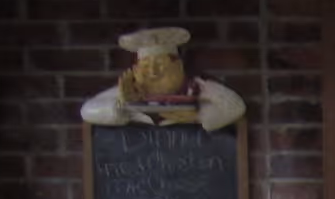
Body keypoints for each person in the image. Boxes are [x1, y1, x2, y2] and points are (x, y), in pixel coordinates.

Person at [80, 26, 245, 131]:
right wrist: (124, 103)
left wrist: (202, 100)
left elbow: (235, 107)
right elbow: (87, 111)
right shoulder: (126, 96)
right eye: (145, 67)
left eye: (161, 65)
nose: (153, 72)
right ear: (135, 71)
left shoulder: (196, 94)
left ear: (178, 67)